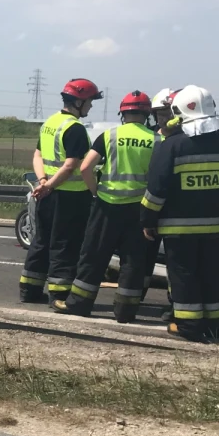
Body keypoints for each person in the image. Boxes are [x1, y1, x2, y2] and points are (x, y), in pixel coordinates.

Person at [141, 85, 219, 341]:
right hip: (213, 228)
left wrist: (148, 220)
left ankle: (188, 326)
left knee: (183, 275)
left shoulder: (172, 145)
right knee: (212, 274)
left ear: (177, 112)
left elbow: (156, 190)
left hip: (177, 229)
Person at [53, 91, 156, 322]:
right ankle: (125, 311)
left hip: (107, 207)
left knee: (93, 256)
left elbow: (85, 167)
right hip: (139, 209)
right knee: (133, 261)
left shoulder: (109, 136)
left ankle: (79, 304)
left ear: (123, 113)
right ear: (147, 113)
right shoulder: (156, 140)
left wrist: (96, 191)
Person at [19, 78, 102, 305]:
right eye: (89, 102)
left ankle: (29, 290)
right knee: (65, 244)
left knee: (41, 241)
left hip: (47, 194)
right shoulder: (74, 128)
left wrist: (43, 182)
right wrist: (51, 185)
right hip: (70, 196)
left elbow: (37, 155)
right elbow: (71, 165)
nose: (91, 106)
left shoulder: (50, 122)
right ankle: (60, 294)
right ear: (78, 102)